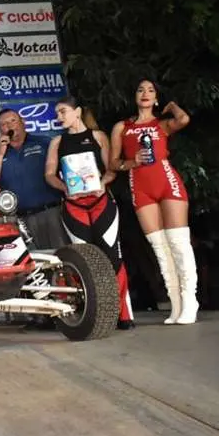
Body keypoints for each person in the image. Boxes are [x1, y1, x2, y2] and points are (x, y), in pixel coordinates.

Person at [109, 80, 198, 324]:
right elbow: (113, 164)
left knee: (179, 243)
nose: (145, 93)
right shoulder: (122, 127)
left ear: (156, 98)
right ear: (134, 96)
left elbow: (184, 120)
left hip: (167, 182)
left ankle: (190, 300)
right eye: (140, 89)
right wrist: (133, 161)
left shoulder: (161, 124)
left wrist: (171, 105)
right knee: (159, 248)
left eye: (151, 91)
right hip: (140, 187)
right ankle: (175, 303)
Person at [44, 96, 134, 330]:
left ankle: (123, 314)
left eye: (63, 111)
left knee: (112, 257)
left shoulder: (98, 136)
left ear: (78, 112)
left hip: (101, 203)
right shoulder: (56, 142)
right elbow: (49, 174)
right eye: (57, 113)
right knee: (84, 260)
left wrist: (103, 183)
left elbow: (112, 169)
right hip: (74, 206)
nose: (59, 117)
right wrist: (65, 188)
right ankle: (94, 314)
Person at [0, 109, 69, 249]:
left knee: (62, 255)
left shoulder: (44, 143)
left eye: (13, 121)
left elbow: (65, 169)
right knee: (32, 261)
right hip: (19, 219)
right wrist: (0, 154)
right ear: (0, 130)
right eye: (4, 124)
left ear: (23, 122)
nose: (9, 126)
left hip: (51, 213)